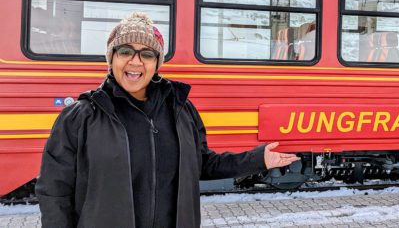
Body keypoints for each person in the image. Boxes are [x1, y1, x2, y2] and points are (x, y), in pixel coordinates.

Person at [36, 12, 300, 228]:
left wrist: (258, 159)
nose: (135, 61)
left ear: (156, 63)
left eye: (147, 54)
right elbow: (54, 192)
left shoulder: (180, 110)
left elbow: (203, 164)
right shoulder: (81, 117)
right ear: (112, 58)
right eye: (126, 51)